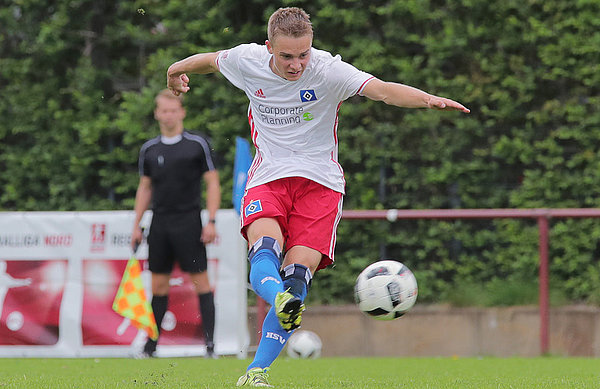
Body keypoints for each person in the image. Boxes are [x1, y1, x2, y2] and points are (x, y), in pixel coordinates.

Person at [166, 7, 469, 386]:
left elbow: (383, 91)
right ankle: (274, 318)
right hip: (269, 177)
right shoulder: (248, 60)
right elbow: (210, 61)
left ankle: (256, 371)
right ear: (269, 47)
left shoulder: (328, 70)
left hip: (320, 186)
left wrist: (427, 99)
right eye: (287, 56)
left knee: (296, 276)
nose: (297, 65)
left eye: (303, 54)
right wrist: (176, 68)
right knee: (265, 251)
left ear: (312, 47)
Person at [130, 89, 221, 359]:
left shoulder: (197, 144)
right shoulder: (149, 149)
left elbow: (212, 181)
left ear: (181, 112)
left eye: (173, 110)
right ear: (157, 113)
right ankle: (150, 348)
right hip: (160, 223)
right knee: (158, 286)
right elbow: (144, 188)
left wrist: (211, 220)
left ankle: (210, 348)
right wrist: (136, 224)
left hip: (189, 222)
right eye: (163, 110)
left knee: (201, 284)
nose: (168, 115)